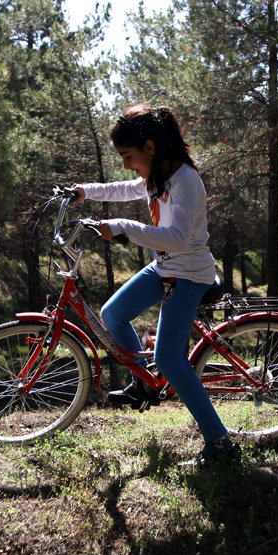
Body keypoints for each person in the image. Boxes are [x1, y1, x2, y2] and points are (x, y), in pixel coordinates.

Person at [70, 104, 238, 467]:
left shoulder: (186, 182)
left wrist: (123, 227)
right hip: (165, 268)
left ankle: (219, 441)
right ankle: (144, 383)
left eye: (128, 156)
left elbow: (177, 238)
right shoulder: (157, 176)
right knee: (113, 314)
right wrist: (85, 191)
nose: (126, 165)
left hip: (189, 274)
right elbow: (123, 189)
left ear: (150, 147)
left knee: (168, 359)